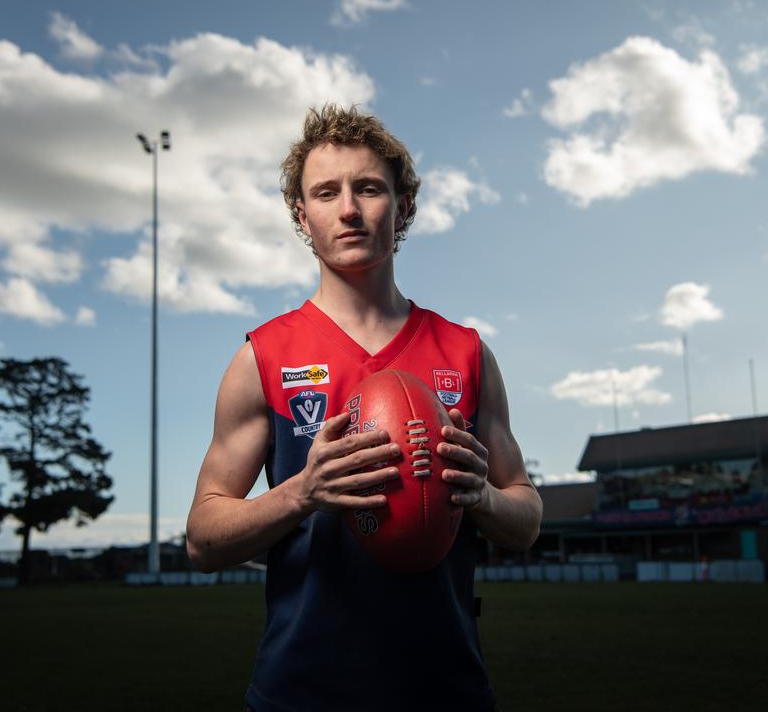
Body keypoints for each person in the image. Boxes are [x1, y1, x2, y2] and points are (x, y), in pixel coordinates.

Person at [186, 104, 542, 712]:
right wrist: (302, 491)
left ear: (402, 206)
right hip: (302, 692)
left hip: (446, 690)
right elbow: (202, 541)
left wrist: (480, 494)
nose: (348, 208)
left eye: (368, 188)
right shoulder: (264, 356)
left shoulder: (465, 351)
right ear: (303, 216)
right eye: (326, 193)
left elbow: (527, 520)